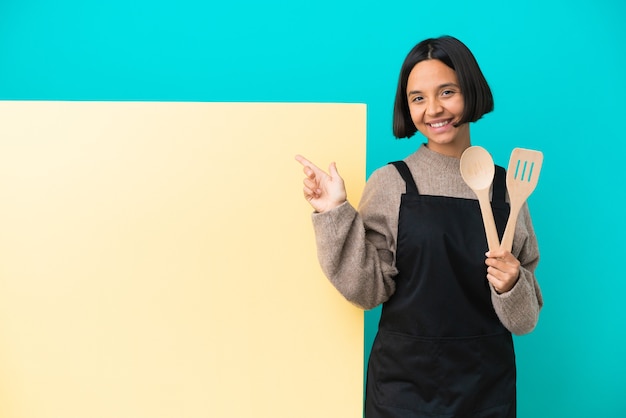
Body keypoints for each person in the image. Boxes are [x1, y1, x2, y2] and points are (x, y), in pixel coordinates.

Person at [295, 35, 543, 418]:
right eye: (418, 98)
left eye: (447, 92)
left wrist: (512, 283)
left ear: (471, 91)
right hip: (402, 389)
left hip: (485, 386)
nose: (433, 109)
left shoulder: (508, 189)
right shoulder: (392, 182)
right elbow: (368, 292)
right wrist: (335, 212)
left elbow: (523, 321)